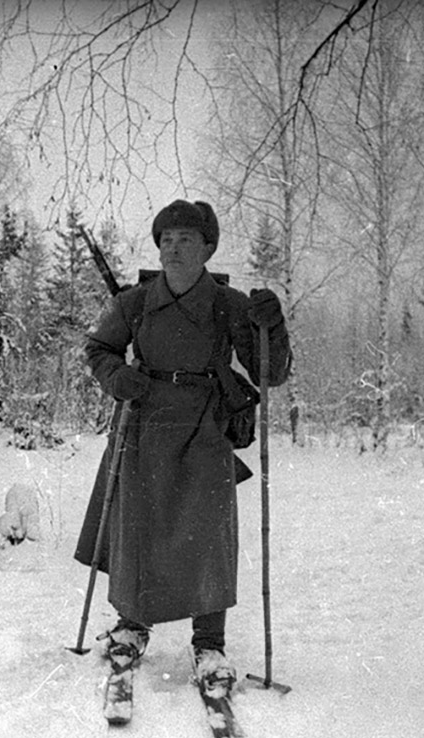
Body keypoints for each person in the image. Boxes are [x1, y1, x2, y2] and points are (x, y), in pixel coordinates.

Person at [73, 199, 292, 692]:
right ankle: (132, 625)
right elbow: (98, 348)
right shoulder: (135, 301)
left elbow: (269, 372)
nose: (173, 248)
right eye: (166, 240)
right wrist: (117, 376)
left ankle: (209, 643)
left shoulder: (230, 305)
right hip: (143, 422)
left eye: (186, 239)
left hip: (204, 426)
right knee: (137, 526)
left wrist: (271, 326)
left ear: (208, 248)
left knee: (208, 532)